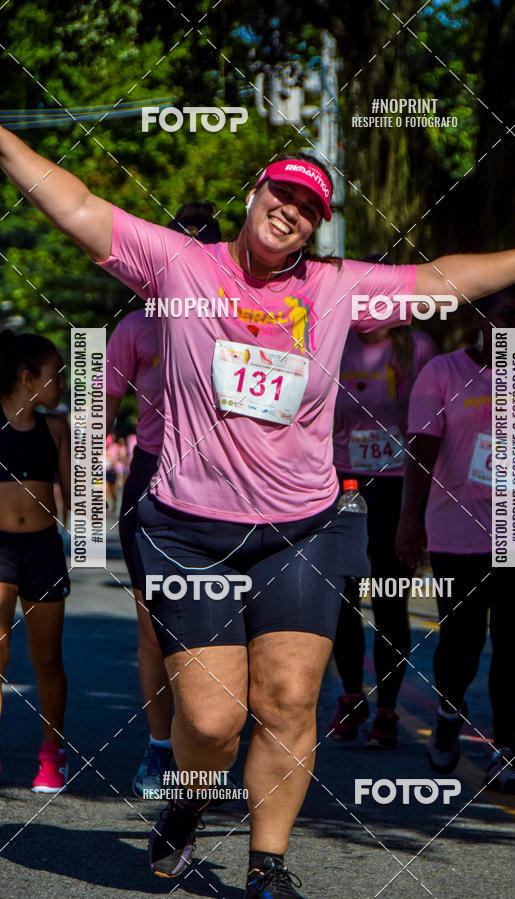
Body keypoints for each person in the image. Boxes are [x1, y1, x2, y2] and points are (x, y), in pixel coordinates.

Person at [0, 129, 515, 897]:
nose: (291, 212)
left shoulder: (337, 286)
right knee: (212, 721)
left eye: (309, 208)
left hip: (305, 528)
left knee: (286, 699)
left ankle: (266, 865)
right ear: (255, 193)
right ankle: (187, 801)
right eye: (282, 194)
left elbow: (442, 279)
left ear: (315, 225)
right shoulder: (179, 264)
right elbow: (75, 202)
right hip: (188, 530)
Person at [396, 284, 515, 795]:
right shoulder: (443, 374)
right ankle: (448, 709)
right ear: (479, 318)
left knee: (512, 641)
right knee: (461, 641)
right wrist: (408, 523)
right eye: (505, 315)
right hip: (457, 531)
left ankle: (505, 749)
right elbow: (420, 455)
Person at [105, 202, 222, 798]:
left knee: (230, 629)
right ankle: (159, 749)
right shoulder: (135, 329)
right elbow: (95, 413)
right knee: (155, 627)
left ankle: (210, 752)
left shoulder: (247, 317)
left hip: (232, 482)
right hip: (153, 478)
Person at [329, 319, 437, 749]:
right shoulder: (332, 341)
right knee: (342, 598)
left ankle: (388, 709)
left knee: (391, 601)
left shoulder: (420, 349)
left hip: (399, 488)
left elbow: (430, 432)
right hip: (342, 484)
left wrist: (421, 513)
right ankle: (353, 697)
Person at [0, 330, 70, 792]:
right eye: (54, 376)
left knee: (46, 658)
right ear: (28, 378)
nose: (61, 384)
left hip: (44, 549)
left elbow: (78, 501)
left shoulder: (56, 428)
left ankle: (51, 752)